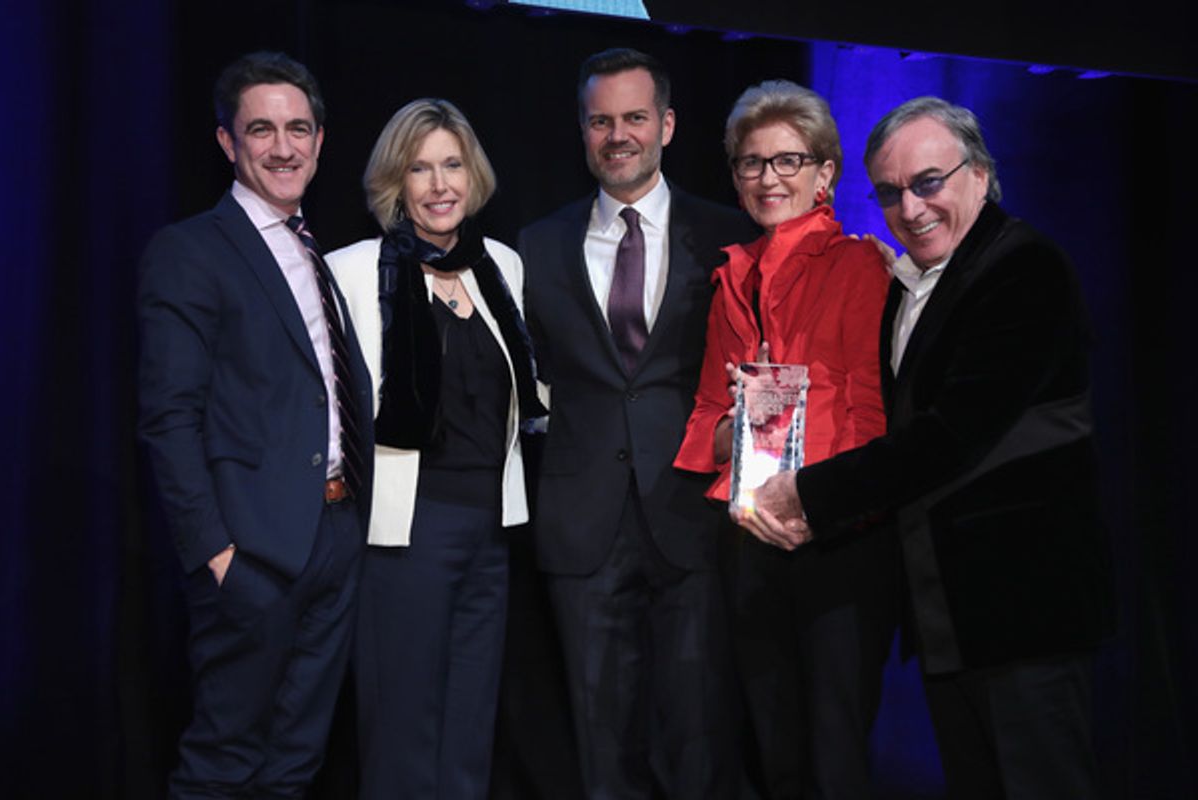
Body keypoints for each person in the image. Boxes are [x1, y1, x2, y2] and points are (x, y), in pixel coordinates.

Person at [739, 96, 1115, 799]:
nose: (910, 208)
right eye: (890, 193)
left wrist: (806, 495)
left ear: (980, 173)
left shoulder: (1024, 270)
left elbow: (947, 439)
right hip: (958, 619)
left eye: (928, 182)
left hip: (1024, 613)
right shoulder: (914, 283)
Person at [517, 47, 758, 798]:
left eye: (633, 118)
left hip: (692, 516)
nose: (617, 135)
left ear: (667, 124)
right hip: (580, 526)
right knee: (599, 746)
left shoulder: (728, 237)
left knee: (696, 741)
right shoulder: (537, 244)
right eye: (600, 121)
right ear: (583, 131)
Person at [137, 51, 374, 797]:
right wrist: (215, 554)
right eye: (261, 129)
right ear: (227, 143)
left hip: (335, 538)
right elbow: (169, 418)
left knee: (294, 763)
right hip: (252, 558)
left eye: (297, 128)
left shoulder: (315, 251)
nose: (283, 146)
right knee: (223, 761)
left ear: (320, 139)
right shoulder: (191, 251)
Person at [673, 80, 896, 798]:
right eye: (751, 163)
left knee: (835, 757)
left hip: (836, 538)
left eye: (788, 161)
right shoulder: (730, 278)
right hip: (749, 540)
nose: (768, 178)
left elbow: (869, 418)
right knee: (775, 755)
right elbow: (704, 431)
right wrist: (739, 426)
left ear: (826, 172)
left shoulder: (862, 265)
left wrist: (818, 509)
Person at [325, 98, 545, 800]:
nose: (440, 183)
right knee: (403, 724)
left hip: (491, 531)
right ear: (397, 181)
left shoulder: (501, 267)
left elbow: (523, 394)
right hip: (405, 532)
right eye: (420, 168)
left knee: (469, 723)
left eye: (452, 164)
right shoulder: (354, 269)